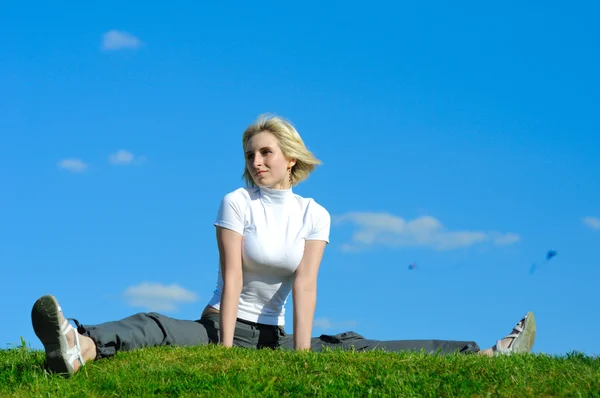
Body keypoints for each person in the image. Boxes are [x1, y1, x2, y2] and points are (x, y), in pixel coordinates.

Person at [31, 114, 537, 377]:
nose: (256, 161)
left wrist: (300, 358)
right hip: (220, 325)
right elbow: (232, 277)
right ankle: (79, 346)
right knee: (156, 326)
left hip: (277, 337)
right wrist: (225, 351)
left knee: (358, 347)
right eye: (250, 154)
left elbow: (306, 285)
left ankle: (486, 355)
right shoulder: (236, 202)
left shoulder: (314, 214)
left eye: (266, 152)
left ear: (290, 159)